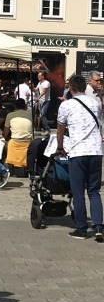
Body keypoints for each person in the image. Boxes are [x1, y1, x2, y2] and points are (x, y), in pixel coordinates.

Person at [55, 72, 103, 239]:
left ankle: (82, 229)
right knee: (94, 191)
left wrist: (60, 147)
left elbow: (60, 129)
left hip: (78, 151)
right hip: (96, 151)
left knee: (78, 191)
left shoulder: (66, 105)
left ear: (71, 88)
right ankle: (98, 227)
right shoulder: (95, 103)